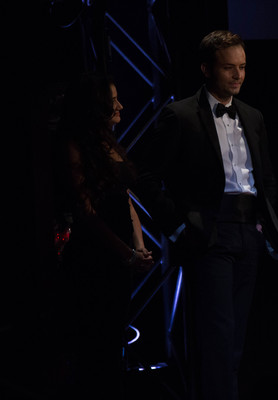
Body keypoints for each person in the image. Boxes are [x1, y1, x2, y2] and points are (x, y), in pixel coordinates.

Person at [133, 30, 278, 400]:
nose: (237, 75)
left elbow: (264, 177)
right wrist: (179, 227)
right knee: (217, 337)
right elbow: (144, 175)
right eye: (228, 68)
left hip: (249, 231)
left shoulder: (252, 115)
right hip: (209, 231)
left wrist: (264, 222)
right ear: (206, 68)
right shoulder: (181, 114)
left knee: (235, 340)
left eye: (243, 67)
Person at [52, 72, 153, 398]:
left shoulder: (108, 142)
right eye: (112, 103)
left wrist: (138, 246)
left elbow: (124, 199)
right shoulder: (73, 146)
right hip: (94, 260)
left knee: (112, 345)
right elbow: (88, 215)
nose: (121, 106)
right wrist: (126, 253)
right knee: (96, 351)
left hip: (121, 258)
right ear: (94, 107)